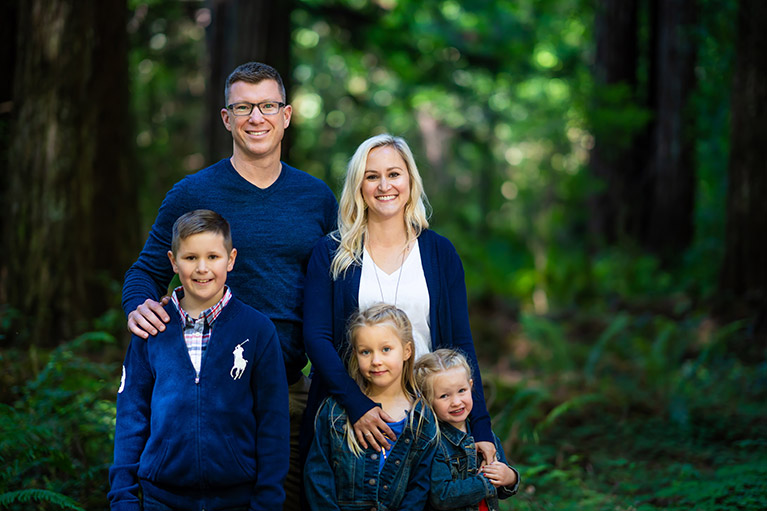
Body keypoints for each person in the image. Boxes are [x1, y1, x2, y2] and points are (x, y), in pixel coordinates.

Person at [121, 62, 337, 510]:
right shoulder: (191, 192)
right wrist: (139, 305)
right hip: (203, 389)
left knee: (280, 500)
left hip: (289, 388)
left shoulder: (316, 197)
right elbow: (146, 269)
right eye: (243, 107)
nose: (256, 117)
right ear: (226, 118)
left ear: (286, 115)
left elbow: (337, 287)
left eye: (267, 106)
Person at [302, 133, 496, 464]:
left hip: (430, 415)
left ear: (410, 180)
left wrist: (480, 427)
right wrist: (357, 405)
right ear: (358, 185)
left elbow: (459, 343)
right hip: (354, 417)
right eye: (372, 176)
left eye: (393, 174)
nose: (384, 185)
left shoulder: (439, 253)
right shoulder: (332, 252)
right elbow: (316, 338)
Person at [109, 209, 289, 511]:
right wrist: (124, 498)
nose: (202, 268)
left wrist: (267, 501)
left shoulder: (257, 330)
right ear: (173, 262)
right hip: (162, 499)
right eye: (191, 258)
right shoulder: (152, 329)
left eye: (213, 257)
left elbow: (273, 424)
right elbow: (131, 417)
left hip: (237, 499)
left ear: (230, 260)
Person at [303, 304, 438, 511]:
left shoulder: (423, 419)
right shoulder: (335, 412)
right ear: (356, 355)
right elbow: (318, 476)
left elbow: (419, 489)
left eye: (386, 349)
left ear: (407, 351)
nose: (376, 361)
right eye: (366, 352)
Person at [415, 349, 519, 511]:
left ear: (470, 386)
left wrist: (510, 477)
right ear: (428, 400)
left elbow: (502, 490)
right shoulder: (435, 443)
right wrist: (486, 481)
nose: (456, 402)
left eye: (461, 391)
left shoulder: (485, 437)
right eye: (444, 396)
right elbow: (442, 496)